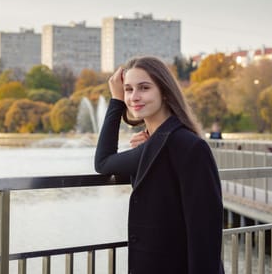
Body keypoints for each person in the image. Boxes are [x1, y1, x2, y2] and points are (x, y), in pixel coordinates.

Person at [94, 56, 224, 274]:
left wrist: (117, 102)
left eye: (144, 88)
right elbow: (103, 163)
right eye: (128, 89)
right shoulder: (149, 146)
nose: (134, 97)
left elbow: (205, 235)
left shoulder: (189, 146)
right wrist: (117, 99)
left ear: (164, 92)